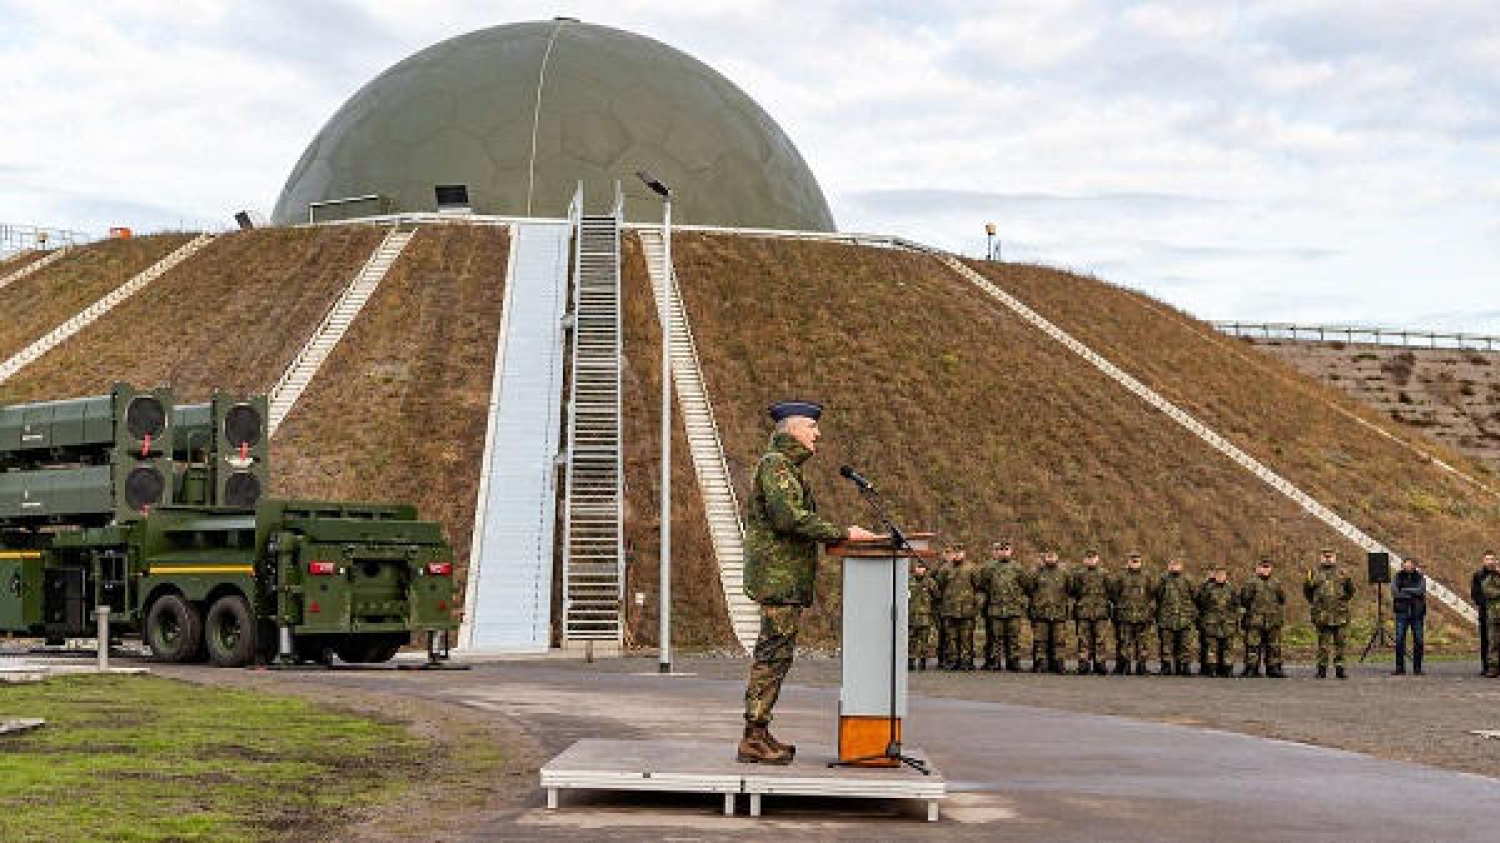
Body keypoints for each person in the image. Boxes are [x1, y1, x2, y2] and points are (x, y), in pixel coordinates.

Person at [738, 400, 876, 765]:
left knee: (777, 656)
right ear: (794, 429)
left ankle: (759, 730)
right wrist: (841, 532)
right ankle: (753, 735)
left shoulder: (786, 468)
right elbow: (789, 518)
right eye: (812, 428)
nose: (818, 434)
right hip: (777, 579)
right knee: (772, 656)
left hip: (784, 579)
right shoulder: (777, 467)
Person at [1304, 548, 1356, 679]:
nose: (1328, 558)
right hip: (1322, 615)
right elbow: (1307, 591)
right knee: (1323, 644)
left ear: (1335, 557)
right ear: (1321, 557)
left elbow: (1350, 591)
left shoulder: (1343, 573)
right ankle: (1322, 670)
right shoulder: (1313, 573)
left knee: (1340, 643)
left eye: (1330, 556)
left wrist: (1341, 602)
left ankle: (1340, 669)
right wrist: (1317, 604)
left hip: (1340, 614)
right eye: (1325, 556)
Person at [977, 540, 1027, 671]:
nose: (1004, 552)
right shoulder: (989, 568)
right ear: (997, 552)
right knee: (995, 637)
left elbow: (1026, 586)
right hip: (996, 609)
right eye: (1001, 550)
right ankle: (995, 661)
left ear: (1011, 551)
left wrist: (1019, 601)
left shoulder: (1018, 568)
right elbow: (982, 585)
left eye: (1006, 550)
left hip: (1013, 609)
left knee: (1013, 637)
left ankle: (1013, 662)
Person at [935, 542, 982, 671]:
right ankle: (952, 661)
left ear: (964, 553)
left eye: (959, 552)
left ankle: (966, 662)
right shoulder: (945, 569)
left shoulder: (972, 568)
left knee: (966, 638)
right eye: (954, 553)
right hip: (949, 610)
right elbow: (939, 586)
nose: (957, 555)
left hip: (967, 610)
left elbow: (979, 588)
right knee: (951, 637)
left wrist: (976, 606)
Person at [1108, 552, 1155, 675]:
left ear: (1141, 562)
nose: (1135, 563)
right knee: (1124, 642)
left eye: (1137, 561)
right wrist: (1121, 606)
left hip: (1142, 616)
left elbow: (1152, 594)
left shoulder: (1147, 576)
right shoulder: (1121, 576)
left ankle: (1141, 667)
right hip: (1125, 615)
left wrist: (1147, 609)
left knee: (1143, 644)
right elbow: (1113, 594)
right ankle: (1124, 666)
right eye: (1132, 561)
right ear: (1128, 562)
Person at [1239, 559, 1286, 678]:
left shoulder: (1277, 583)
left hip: (1273, 620)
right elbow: (1244, 600)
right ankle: (1251, 668)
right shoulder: (1250, 583)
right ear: (1257, 568)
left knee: (1274, 646)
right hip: (1255, 620)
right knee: (1252, 645)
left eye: (1268, 567)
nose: (1265, 570)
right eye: (1263, 567)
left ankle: (1273, 668)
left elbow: (1282, 599)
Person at [1067, 550, 1112, 675]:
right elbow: (1073, 591)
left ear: (1097, 559)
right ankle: (1083, 664)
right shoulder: (1078, 575)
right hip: (1083, 613)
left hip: (1100, 612)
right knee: (1083, 640)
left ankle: (1100, 664)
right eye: (1088, 558)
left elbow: (1111, 591)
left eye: (1093, 558)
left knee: (1100, 639)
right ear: (1084, 559)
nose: (1091, 560)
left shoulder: (1104, 574)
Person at [1027, 550, 1070, 673]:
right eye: (1048, 556)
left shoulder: (1064, 574)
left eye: (1053, 556)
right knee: (1040, 641)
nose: (1050, 559)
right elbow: (1029, 588)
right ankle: (1040, 663)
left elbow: (1071, 589)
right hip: (1041, 612)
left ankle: (1059, 664)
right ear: (1044, 558)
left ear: (1057, 558)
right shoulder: (1037, 573)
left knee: (1059, 641)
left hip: (1059, 612)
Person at [1155, 559, 1196, 676]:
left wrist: (1190, 613)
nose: (1175, 567)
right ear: (1169, 566)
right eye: (1173, 565)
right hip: (1167, 618)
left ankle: (1185, 667)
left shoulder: (1188, 580)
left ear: (1181, 566)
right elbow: (1158, 595)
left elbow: (1195, 596)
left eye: (1177, 565)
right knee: (1166, 644)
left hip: (1184, 618)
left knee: (1185, 645)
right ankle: (1166, 667)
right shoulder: (1163, 580)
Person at [1195, 565, 1237, 678]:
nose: (1221, 577)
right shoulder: (1208, 588)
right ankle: (1211, 668)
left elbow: (1236, 604)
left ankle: (1227, 669)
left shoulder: (1231, 589)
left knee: (1228, 647)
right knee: (1211, 646)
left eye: (1223, 575)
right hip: (1211, 622)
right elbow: (1200, 603)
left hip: (1227, 623)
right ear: (1215, 576)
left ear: (1226, 576)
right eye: (1218, 575)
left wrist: (1233, 619)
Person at [1392, 557, 1427, 675]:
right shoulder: (1397, 576)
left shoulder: (1420, 577)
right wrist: (1411, 594)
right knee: (1399, 640)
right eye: (1405, 564)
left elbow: (1420, 591)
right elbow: (1395, 593)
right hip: (1401, 613)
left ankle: (1417, 668)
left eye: (1409, 564)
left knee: (1419, 641)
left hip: (1417, 613)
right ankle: (1399, 668)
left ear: (1414, 565)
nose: (1407, 566)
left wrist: (1405, 590)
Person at [907, 557, 939, 671]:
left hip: (925, 616)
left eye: (922, 568)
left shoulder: (930, 582)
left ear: (925, 569)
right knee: (911, 640)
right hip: (911, 615)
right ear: (914, 569)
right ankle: (910, 661)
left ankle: (922, 662)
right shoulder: (908, 580)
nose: (920, 570)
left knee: (924, 640)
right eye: (918, 568)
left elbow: (937, 596)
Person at [1474, 553, 1497, 676]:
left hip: (1498, 612)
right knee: (1485, 640)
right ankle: (1486, 666)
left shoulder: (1498, 574)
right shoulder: (1478, 575)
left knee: (1497, 641)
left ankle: (1496, 666)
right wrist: (1486, 604)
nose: (1490, 561)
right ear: (1483, 561)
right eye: (1487, 559)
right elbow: (1475, 594)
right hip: (1485, 612)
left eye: (1492, 559)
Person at [1481, 554, 1500, 678]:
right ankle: (1493, 668)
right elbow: (1487, 591)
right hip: (1495, 616)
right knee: (1494, 643)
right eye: (1498, 565)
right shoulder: (1489, 579)